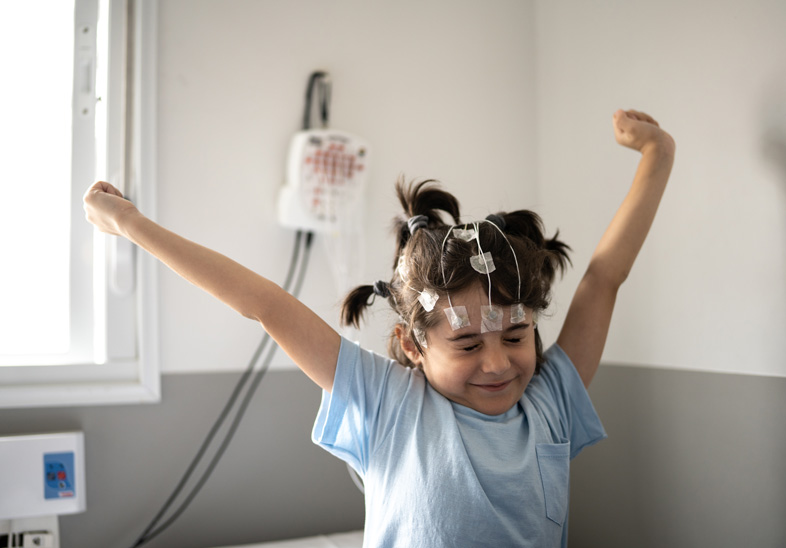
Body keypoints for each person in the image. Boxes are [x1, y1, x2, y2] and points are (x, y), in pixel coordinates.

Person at [83, 109, 675, 547]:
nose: (498, 363)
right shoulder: (388, 403)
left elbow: (602, 280)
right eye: (467, 342)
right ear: (412, 346)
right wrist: (130, 223)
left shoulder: (549, 402)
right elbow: (265, 304)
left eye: (515, 337)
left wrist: (658, 156)